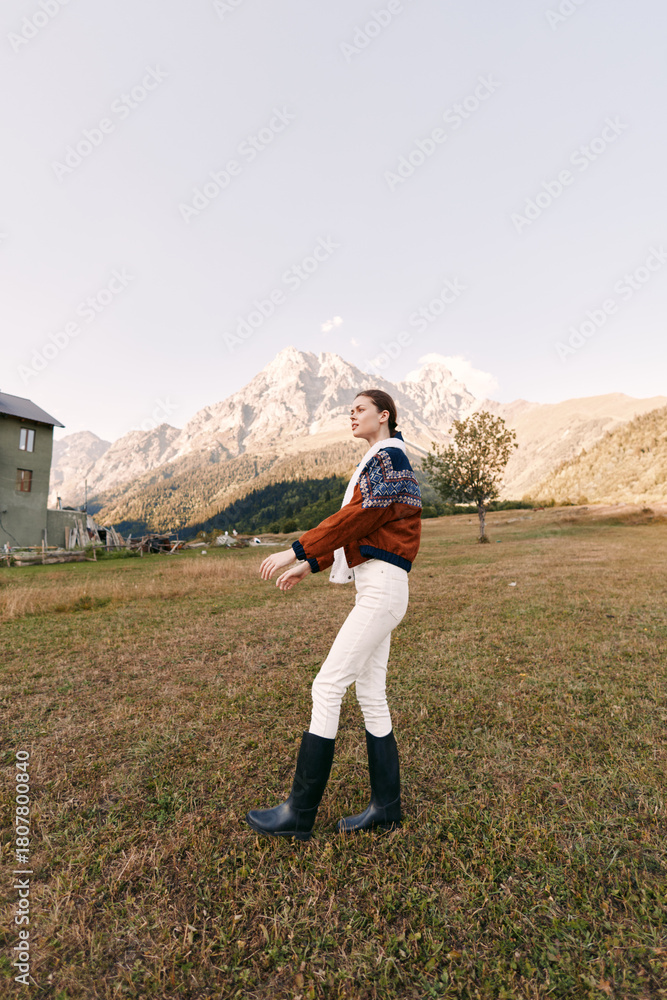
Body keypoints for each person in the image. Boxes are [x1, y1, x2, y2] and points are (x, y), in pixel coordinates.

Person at [244, 389, 422, 841]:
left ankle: (299, 813)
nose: (352, 415)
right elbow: (366, 528)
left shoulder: (390, 459)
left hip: (381, 589)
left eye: (360, 409)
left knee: (327, 686)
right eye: (351, 410)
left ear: (384, 416)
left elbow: (361, 516)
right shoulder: (382, 460)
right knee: (371, 693)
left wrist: (296, 550)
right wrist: (313, 563)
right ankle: (387, 808)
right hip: (381, 586)